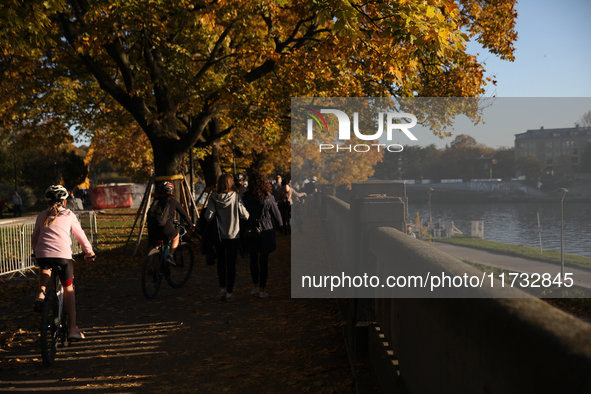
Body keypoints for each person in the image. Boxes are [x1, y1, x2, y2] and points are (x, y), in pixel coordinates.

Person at [31, 185, 95, 341]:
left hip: (43, 256)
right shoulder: (69, 215)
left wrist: (35, 251)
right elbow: (80, 235)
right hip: (63, 257)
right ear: (64, 201)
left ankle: (41, 292)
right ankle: (73, 328)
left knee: (45, 267)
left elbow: (35, 237)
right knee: (68, 289)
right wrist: (89, 252)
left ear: (47, 202)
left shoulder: (41, 215)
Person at [205, 174, 249, 302]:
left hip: (219, 236)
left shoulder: (213, 197)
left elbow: (209, 217)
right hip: (233, 235)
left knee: (220, 262)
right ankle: (230, 292)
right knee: (231, 264)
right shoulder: (236, 197)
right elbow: (245, 215)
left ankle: (222, 289)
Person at [242, 172, 283, 299]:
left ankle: (255, 285)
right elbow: (276, 213)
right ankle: (262, 289)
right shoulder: (268, 197)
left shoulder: (246, 197)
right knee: (264, 261)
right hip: (266, 229)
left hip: (251, 230)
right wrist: (281, 226)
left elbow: (243, 214)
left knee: (253, 259)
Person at [147, 182, 194, 264]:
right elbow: (184, 215)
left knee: (155, 247)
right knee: (176, 236)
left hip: (152, 228)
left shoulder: (156, 201)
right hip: (165, 228)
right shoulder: (173, 201)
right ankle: (170, 256)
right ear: (171, 192)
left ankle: (152, 268)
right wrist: (191, 225)